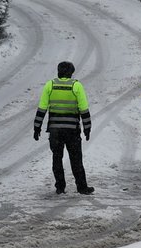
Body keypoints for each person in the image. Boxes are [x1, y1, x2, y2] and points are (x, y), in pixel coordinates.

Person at [33, 61, 95, 195]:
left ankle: (60, 187)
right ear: (71, 73)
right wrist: (87, 128)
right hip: (72, 130)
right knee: (76, 159)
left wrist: (37, 127)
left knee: (57, 158)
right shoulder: (76, 85)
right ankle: (82, 187)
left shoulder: (50, 85)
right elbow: (84, 109)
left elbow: (42, 108)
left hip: (55, 130)